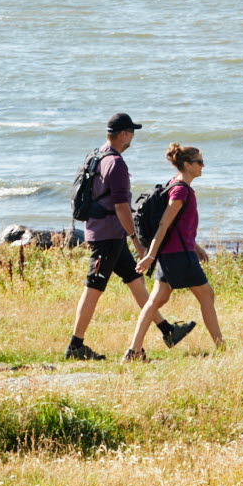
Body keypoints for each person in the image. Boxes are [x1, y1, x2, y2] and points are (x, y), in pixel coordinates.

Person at [66, 112, 193, 361]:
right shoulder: (116, 164)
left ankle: (167, 331)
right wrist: (135, 239)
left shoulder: (97, 154)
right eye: (131, 132)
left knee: (135, 280)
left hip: (103, 231)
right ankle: (75, 346)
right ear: (124, 134)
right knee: (93, 288)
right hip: (108, 236)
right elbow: (121, 207)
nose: (133, 136)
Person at [126, 142, 224, 362]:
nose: (203, 166)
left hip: (177, 252)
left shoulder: (175, 185)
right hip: (177, 256)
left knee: (156, 301)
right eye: (199, 162)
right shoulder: (179, 190)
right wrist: (150, 256)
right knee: (206, 295)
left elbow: (177, 226)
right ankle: (221, 347)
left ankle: (134, 351)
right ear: (187, 165)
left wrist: (195, 246)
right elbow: (163, 225)